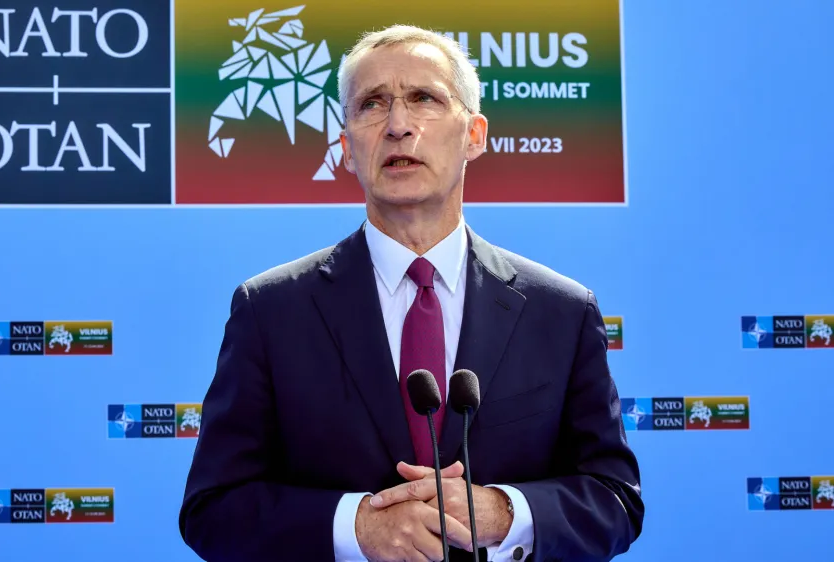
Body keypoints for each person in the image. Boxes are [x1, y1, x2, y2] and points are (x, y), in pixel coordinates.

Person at [179, 24, 643, 562]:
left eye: (424, 99)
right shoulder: (271, 311)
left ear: (474, 135)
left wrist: (503, 512)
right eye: (372, 104)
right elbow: (212, 510)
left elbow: (616, 501)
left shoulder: (560, 311)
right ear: (346, 146)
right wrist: (356, 529)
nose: (399, 125)